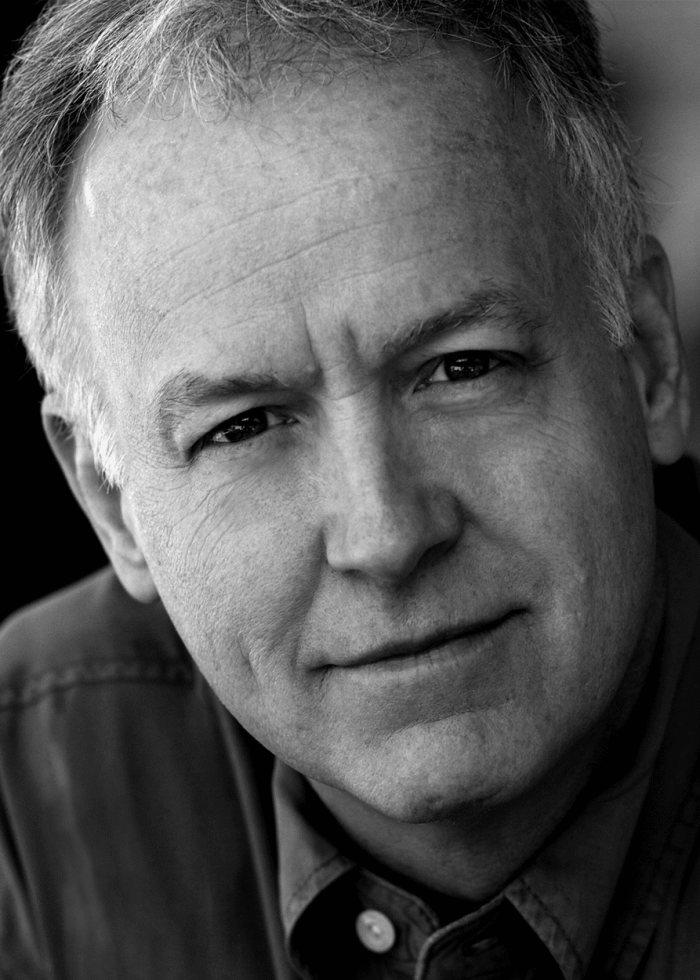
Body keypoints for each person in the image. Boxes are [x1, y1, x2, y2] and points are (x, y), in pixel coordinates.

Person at [0, 0, 698, 977]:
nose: (385, 533)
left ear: (650, 363)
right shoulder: (24, 798)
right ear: (111, 504)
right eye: (242, 425)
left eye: (463, 367)